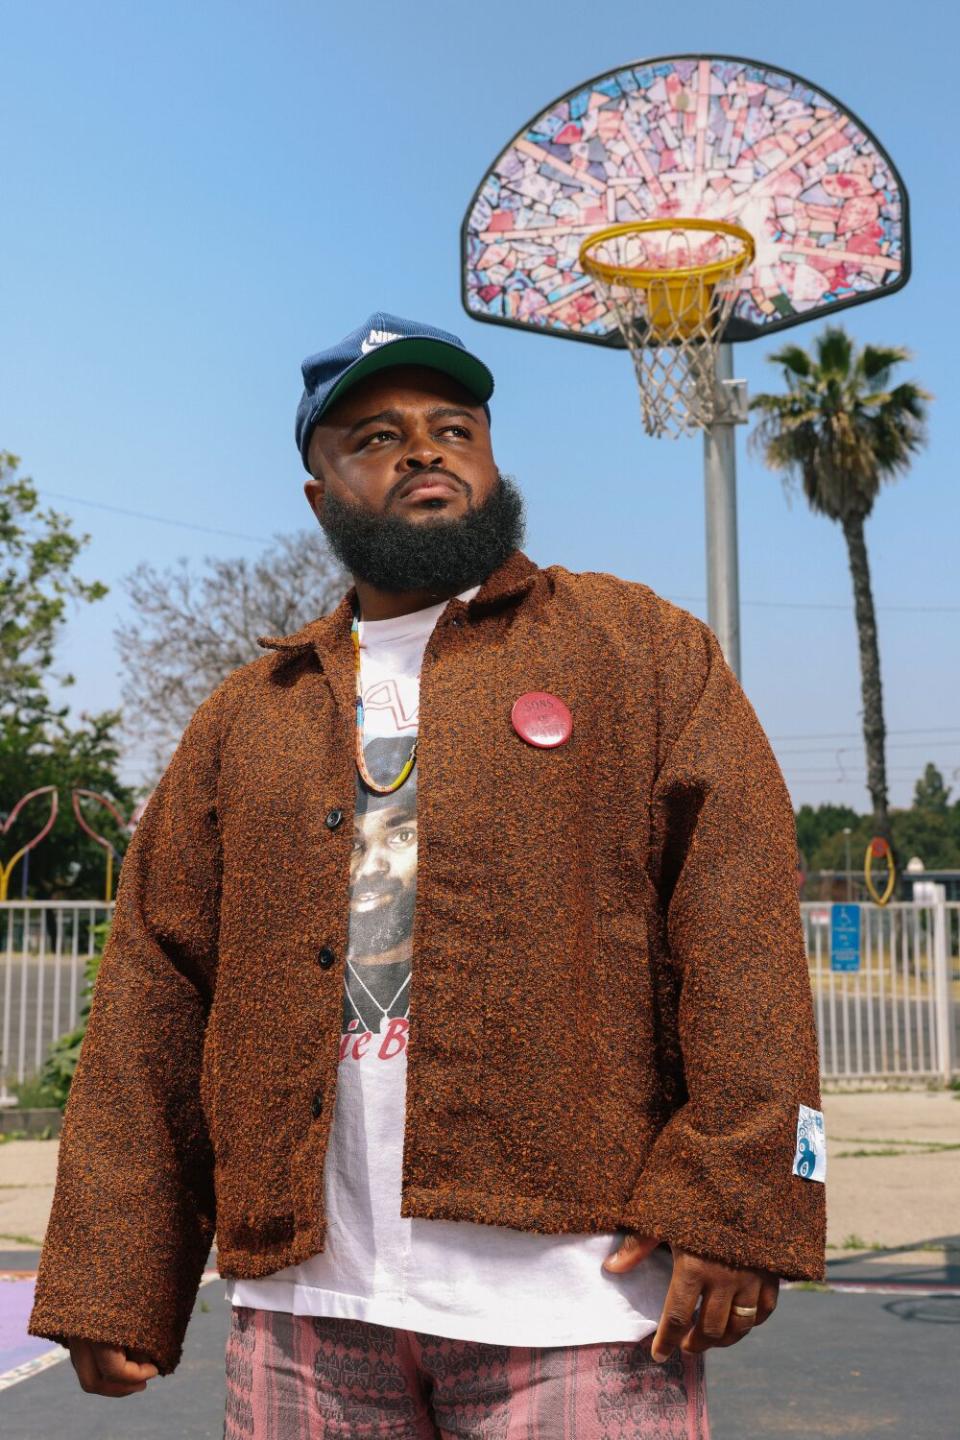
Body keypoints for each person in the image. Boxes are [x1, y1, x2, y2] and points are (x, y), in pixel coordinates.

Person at [30, 311, 826, 1437]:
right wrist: (117, 1264)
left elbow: (739, 921)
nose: (423, 450)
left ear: (492, 456)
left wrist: (744, 1196)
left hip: (579, 1300)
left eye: (455, 425)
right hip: (304, 1307)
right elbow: (155, 992)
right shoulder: (247, 716)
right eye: (375, 436)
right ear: (321, 495)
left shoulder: (636, 649)